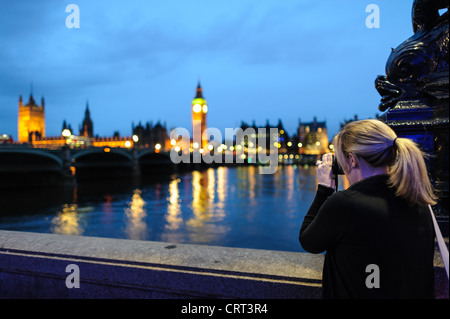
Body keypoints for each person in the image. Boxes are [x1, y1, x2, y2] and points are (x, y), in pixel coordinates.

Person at [299, 119, 437, 299]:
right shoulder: (419, 201)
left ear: (351, 160)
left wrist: (324, 189)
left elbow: (308, 241)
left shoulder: (346, 204)